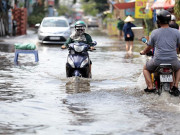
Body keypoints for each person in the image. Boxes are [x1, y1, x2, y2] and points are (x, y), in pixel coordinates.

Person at [140, 10, 180, 96]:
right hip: (173, 61)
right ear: (169, 21)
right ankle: (176, 86)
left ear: (158, 21)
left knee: (145, 69)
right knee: (179, 68)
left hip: (157, 61)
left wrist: (143, 52)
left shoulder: (154, 32)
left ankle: (150, 87)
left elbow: (149, 47)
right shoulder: (177, 32)